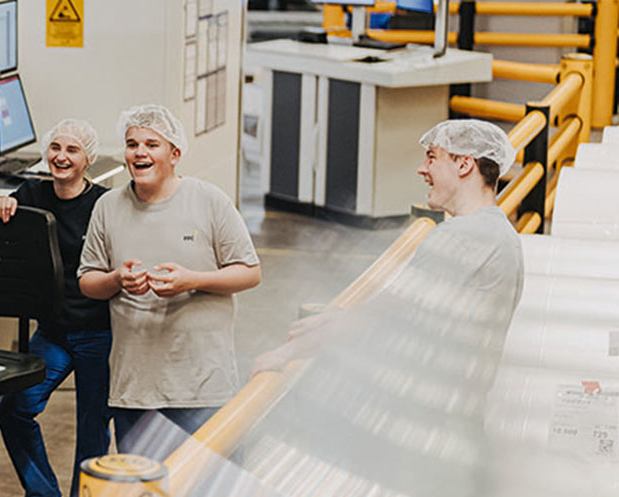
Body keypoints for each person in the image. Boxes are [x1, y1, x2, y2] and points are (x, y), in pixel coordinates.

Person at [251, 118, 524, 385]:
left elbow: (386, 314)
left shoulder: (463, 235)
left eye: (432, 157)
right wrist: (335, 318)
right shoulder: (499, 232)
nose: (422, 169)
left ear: (464, 164)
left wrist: (286, 353)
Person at [78, 104, 261, 457]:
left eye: (152, 144)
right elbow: (88, 280)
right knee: (146, 486)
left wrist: (192, 280)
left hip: (203, 384)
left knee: (208, 482)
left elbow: (250, 272)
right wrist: (117, 279)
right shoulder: (108, 206)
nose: (140, 153)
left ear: (175, 154)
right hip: (135, 386)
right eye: (132, 144)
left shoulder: (209, 201)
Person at [0, 119, 111, 497]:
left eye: (72, 150)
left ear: (88, 159)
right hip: (53, 332)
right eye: (55, 147)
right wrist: (1, 202)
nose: (61, 156)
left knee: (92, 432)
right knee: (14, 411)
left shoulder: (104, 204)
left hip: (99, 332)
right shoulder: (32, 194)